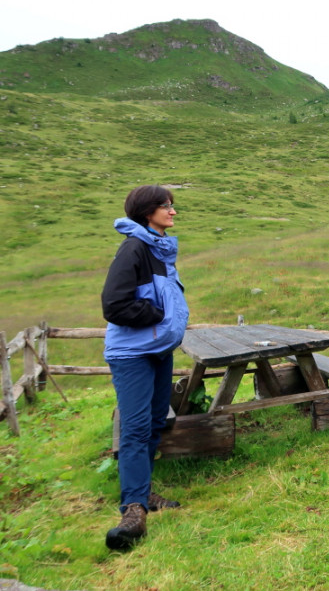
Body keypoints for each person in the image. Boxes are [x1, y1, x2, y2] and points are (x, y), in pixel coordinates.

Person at [101, 185, 190, 550]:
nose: (172, 211)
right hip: (132, 354)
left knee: (154, 422)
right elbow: (114, 305)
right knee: (136, 428)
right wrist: (157, 316)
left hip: (157, 350)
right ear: (146, 211)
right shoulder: (134, 248)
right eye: (165, 206)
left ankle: (144, 492)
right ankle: (133, 511)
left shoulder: (159, 248)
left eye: (172, 205)